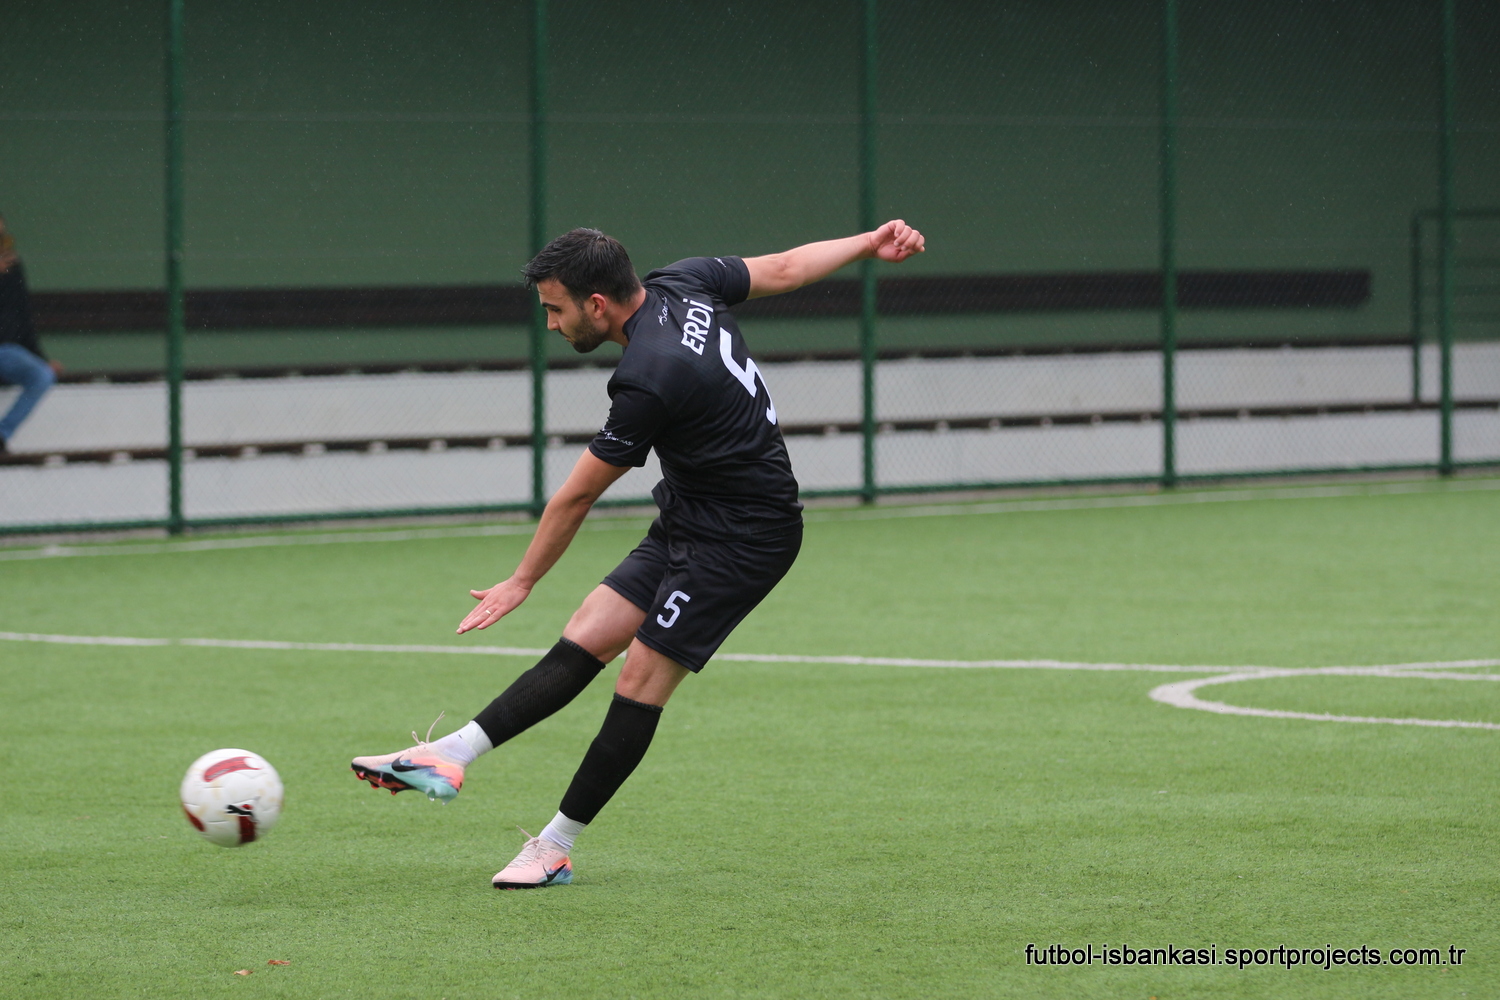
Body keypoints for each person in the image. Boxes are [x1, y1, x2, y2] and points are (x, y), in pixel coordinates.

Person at [352, 220, 925, 889]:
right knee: (588, 633)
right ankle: (450, 754)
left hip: (745, 540)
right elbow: (788, 268)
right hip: (690, 514)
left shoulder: (649, 376)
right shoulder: (685, 282)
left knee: (639, 678)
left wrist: (522, 580)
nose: (551, 324)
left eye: (555, 310)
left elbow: (576, 497)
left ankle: (554, 847)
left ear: (597, 304)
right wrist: (867, 243)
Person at [0, 214, 62, 454]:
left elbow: (23, 315)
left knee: (41, 375)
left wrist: (41, 358)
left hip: (6, 352)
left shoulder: (13, 268)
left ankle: (2, 434)